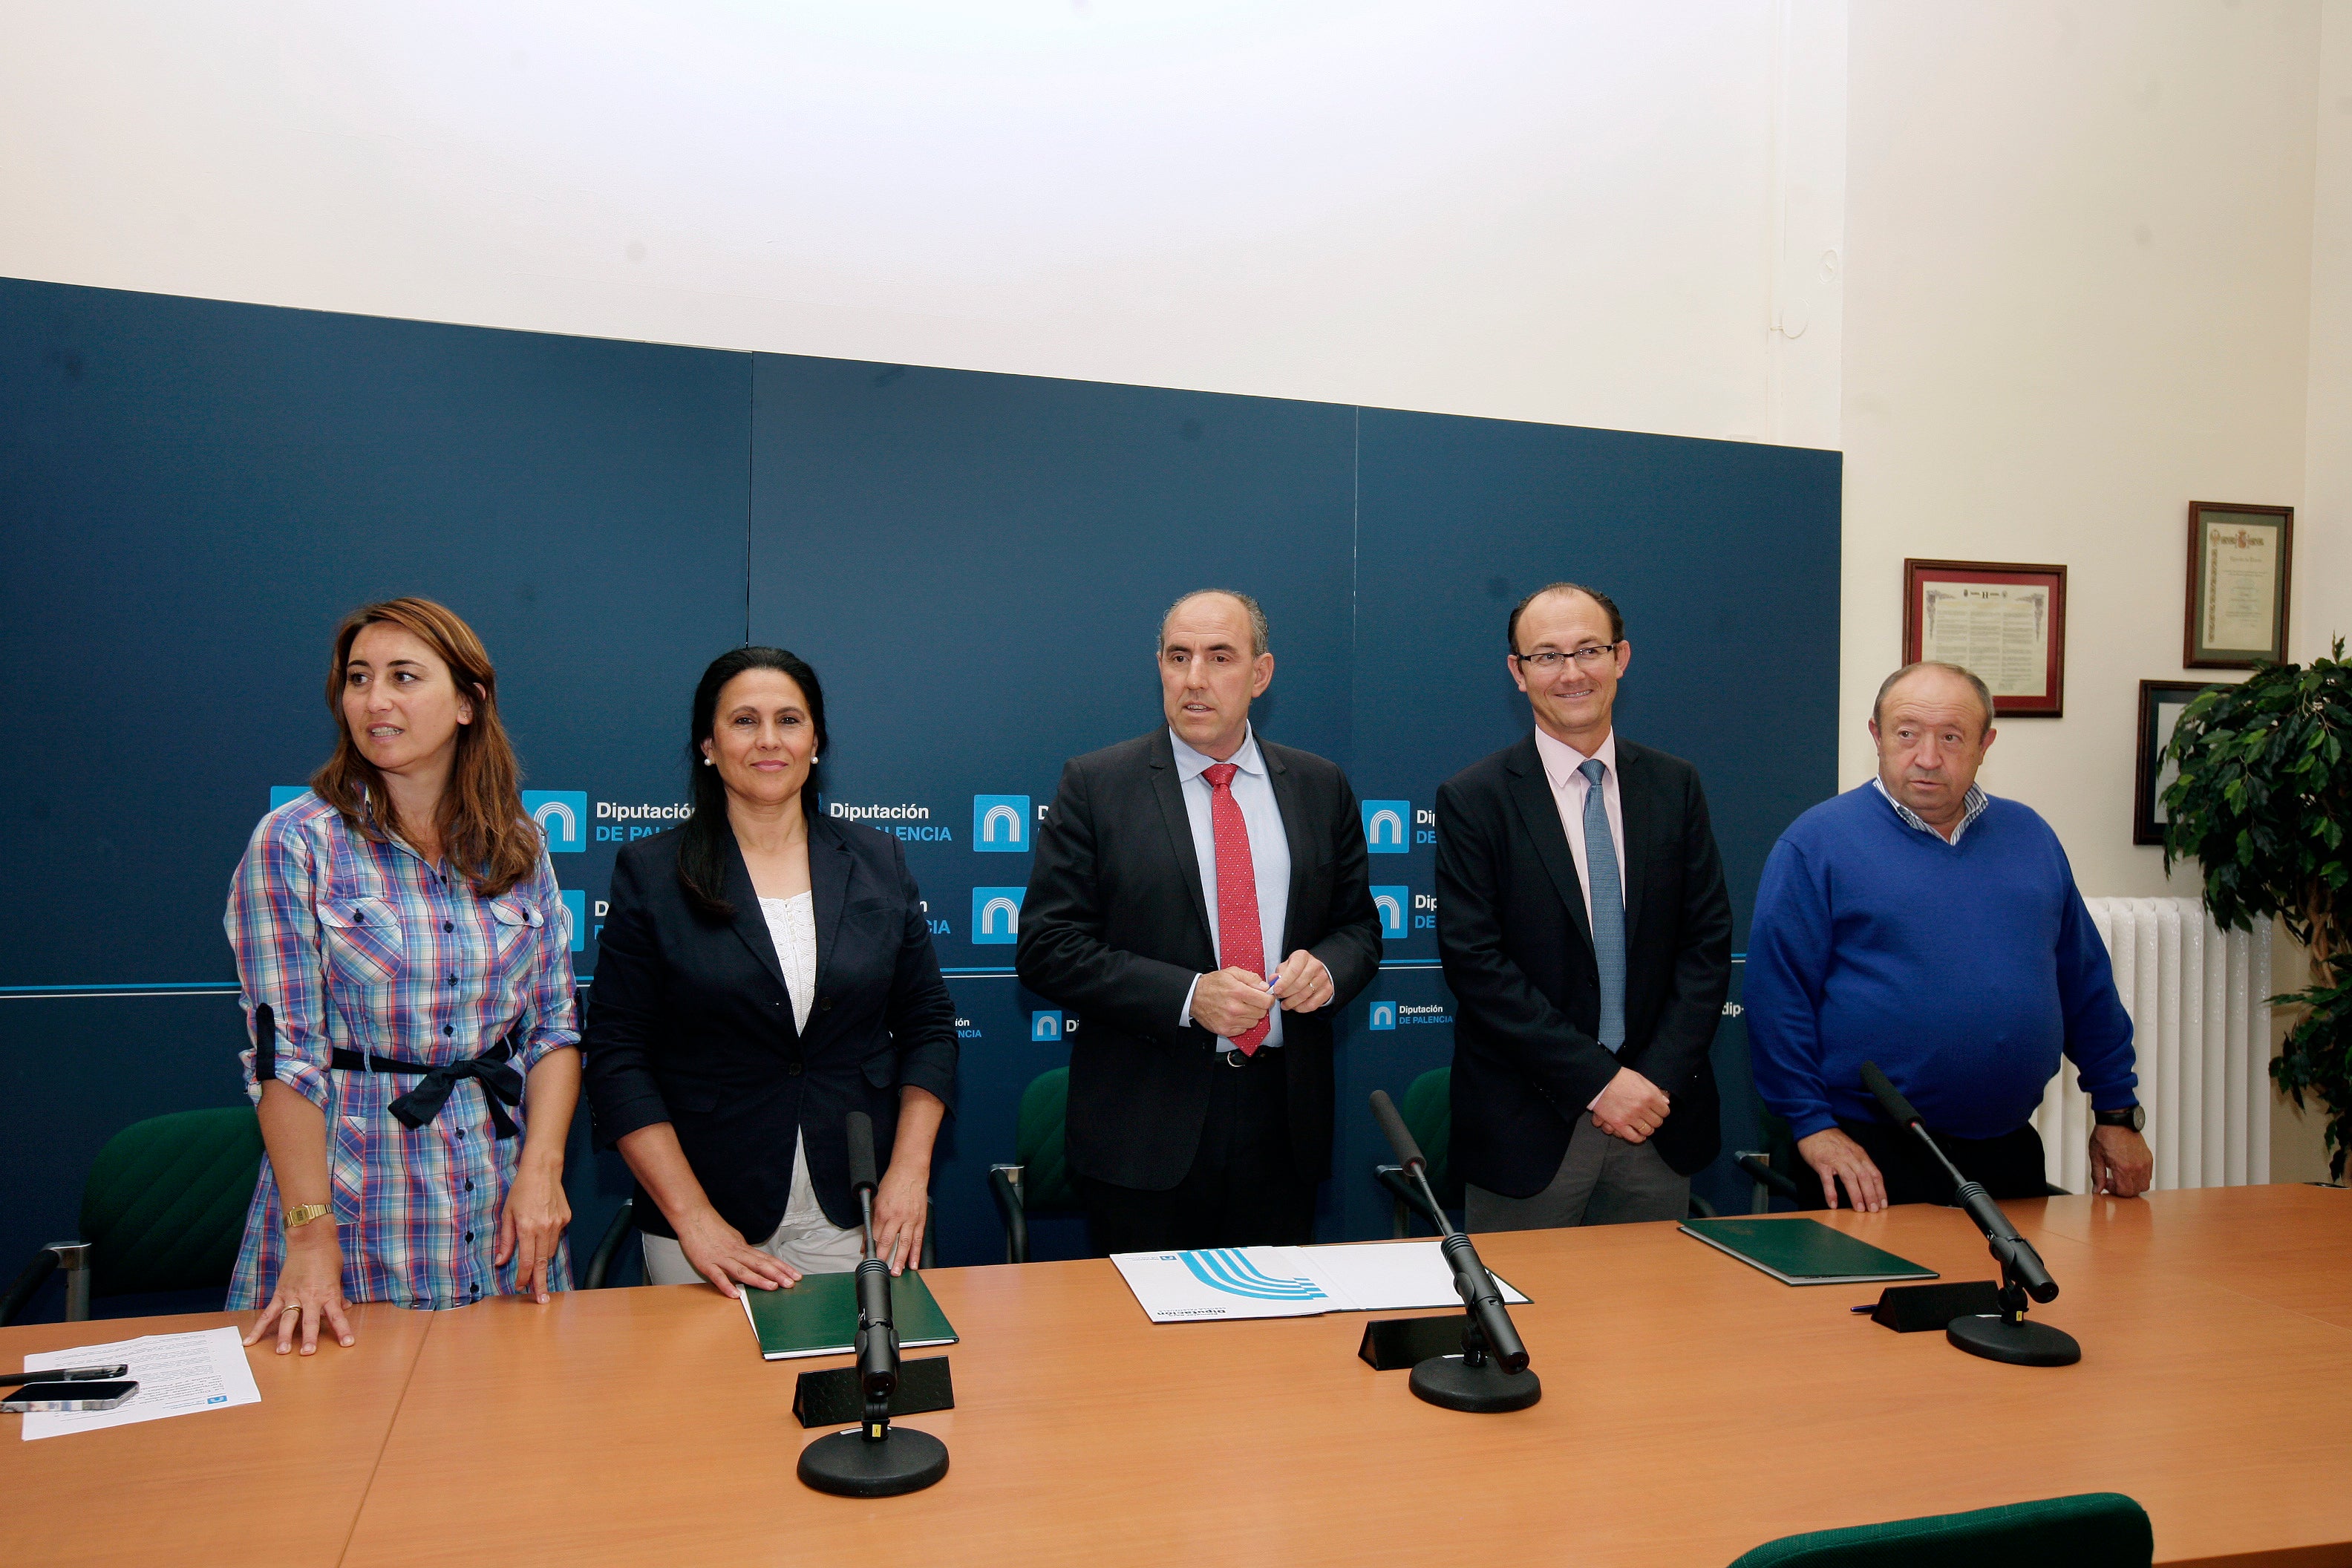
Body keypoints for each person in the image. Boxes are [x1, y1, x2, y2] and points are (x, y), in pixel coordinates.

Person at [229, 598, 581, 1355]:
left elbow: (554, 1028)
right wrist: (310, 1234)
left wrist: (543, 1174)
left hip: (499, 1202)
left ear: (466, 702)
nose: (374, 700)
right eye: (358, 679)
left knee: (514, 1438)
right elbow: (284, 1057)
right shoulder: (295, 844)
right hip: (357, 1207)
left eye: (402, 677)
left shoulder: (518, 846)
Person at [1016, 589, 1382, 1254]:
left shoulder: (1318, 784)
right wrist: (1189, 997)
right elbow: (1048, 947)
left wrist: (1326, 969)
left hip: (1283, 1123)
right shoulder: (1097, 785)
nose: (1194, 679)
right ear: (1158, 666)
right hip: (1144, 1129)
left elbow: (1358, 929)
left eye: (1219, 657)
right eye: (1178, 657)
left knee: (1275, 1345)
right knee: (1144, 1352)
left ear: (1261, 674)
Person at [582, 647, 956, 1293]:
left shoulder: (876, 858)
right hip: (706, 1219)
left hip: (857, 1209)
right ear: (708, 743)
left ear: (816, 741)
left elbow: (928, 1026)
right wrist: (693, 1219)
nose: (768, 741)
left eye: (789, 720)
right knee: (709, 1396)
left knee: (852, 1385)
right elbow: (617, 1055)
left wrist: (908, 1174)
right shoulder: (651, 872)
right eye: (743, 721)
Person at [1745, 660, 2155, 1210]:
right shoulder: (1816, 844)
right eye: (1907, 733)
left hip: (2006, 1148)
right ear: (1877, 736)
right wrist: (1811, 1125)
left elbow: (2084, 984)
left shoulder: (2029, 835)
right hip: (1864, 1155)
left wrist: (2117, 1113)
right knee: (1870, 1299)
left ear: (1985, 744)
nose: (1928, 758)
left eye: (1952, 737)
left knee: (2008, 1296)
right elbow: (1778, 999)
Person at [1436, 582, 1733, 1229]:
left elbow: (1706, 947)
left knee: (1654, 1326)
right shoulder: (1474, 798)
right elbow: (1476, 964)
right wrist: (1601, 1084)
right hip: (1529, 1126)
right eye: (1546, 656)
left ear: (1621, 659)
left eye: (1588, 650)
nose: (1571, 673)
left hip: (1657, 1119)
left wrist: (1649, 1083)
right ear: (1518, 674)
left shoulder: (1675, 786)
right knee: (1524, 1325)